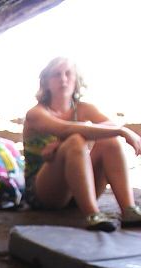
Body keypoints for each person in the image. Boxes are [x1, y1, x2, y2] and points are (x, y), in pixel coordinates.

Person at [23, 57, 141, 231]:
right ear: (46, 82)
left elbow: (111, 125)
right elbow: (65, 130)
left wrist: (62, 142)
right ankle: (93, 214)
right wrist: (120, 131)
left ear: (76, 80)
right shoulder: (37, 113)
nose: (63, 79)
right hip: (45, 192)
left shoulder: (85, 109)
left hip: (78, 190)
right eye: (56, 74)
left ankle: (128, 209)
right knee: (75, 141)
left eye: (68, 74)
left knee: (109, 140)